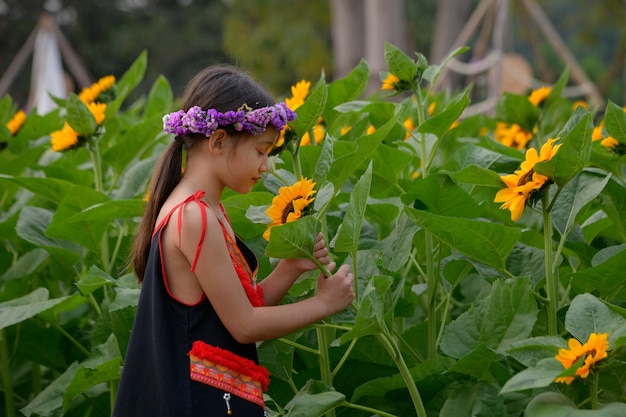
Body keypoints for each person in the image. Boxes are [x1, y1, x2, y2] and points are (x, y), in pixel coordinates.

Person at [112, 65, 355, 417]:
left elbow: (237, 309)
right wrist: (324, 304)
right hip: (199, 403)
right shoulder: (194, 216)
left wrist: (289, 268)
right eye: (261, 151)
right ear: (219, 141)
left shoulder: (204, 207)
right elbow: (244, 327)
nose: (266, 166)